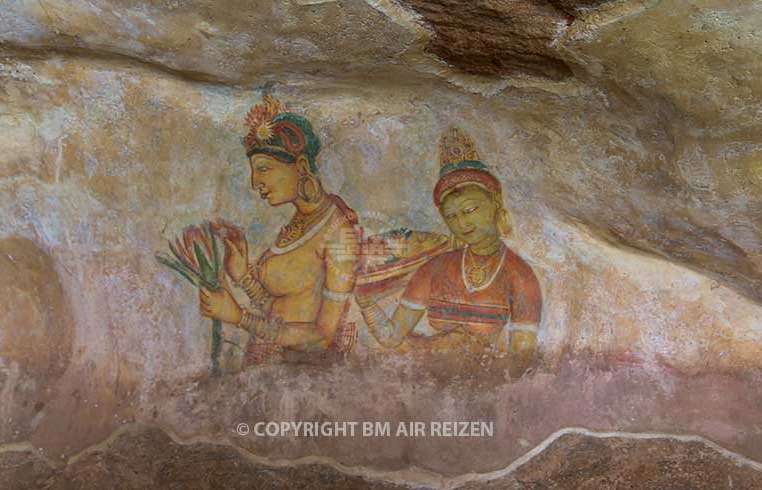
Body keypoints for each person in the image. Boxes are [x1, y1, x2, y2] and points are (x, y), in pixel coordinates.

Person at [198, 94, 360, 367]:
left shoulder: (338, 232)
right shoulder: (297, 224)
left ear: (301, 167)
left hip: (300, 376)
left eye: (264, 169)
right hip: (266, 367)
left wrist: (239, 317)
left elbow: (322, 336)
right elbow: (278, 306)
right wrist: (243, 275)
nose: (255, 182)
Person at [355, 127, 542, 358]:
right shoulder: (435, 268)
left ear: (495, 206)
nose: (462, 223)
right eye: (452, 216)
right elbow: (392, 337)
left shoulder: (520, 276)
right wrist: (366, 303)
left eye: (470, 209)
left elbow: (520, 360)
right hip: (427, 377)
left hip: (482, 383)